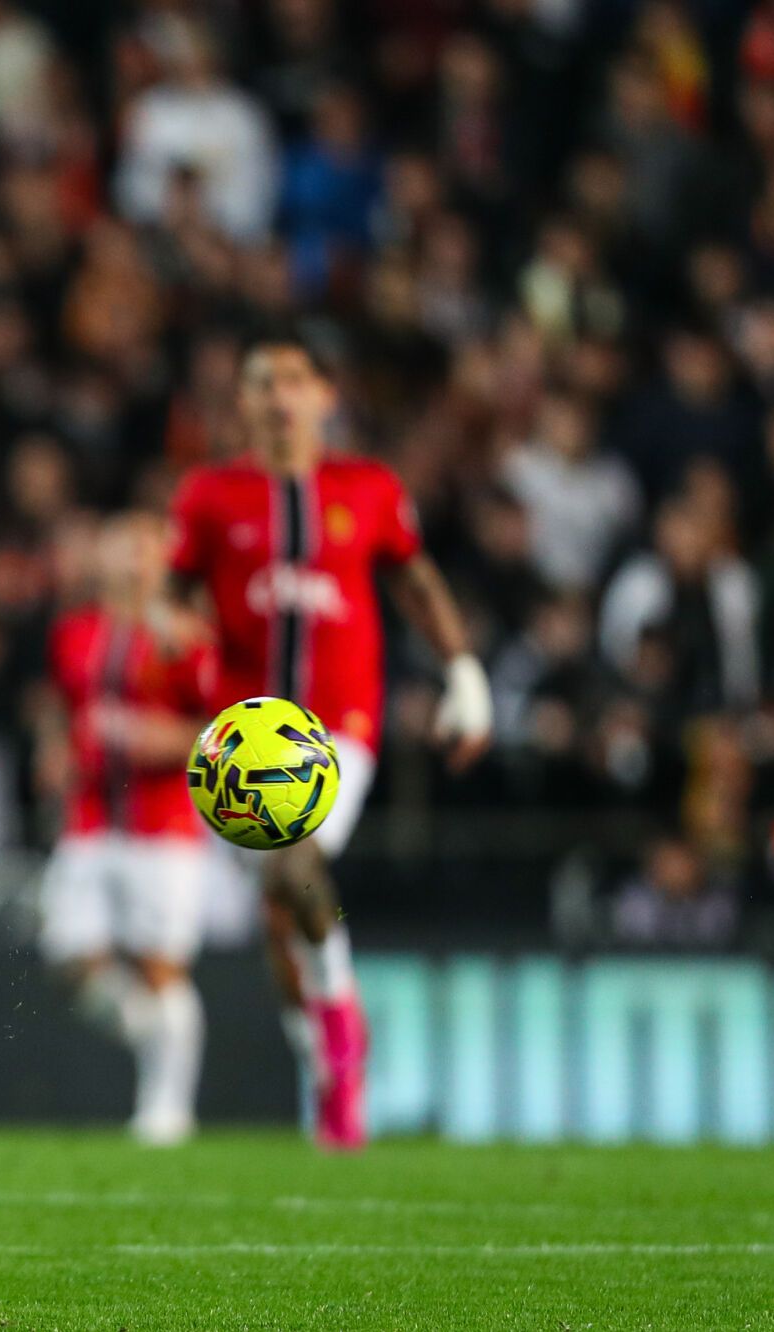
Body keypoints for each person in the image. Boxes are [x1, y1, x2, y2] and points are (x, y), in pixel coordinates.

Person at [170, 337, 492, 1149]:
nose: (278, 397)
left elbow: (414, 578)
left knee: (293, 859)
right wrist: (169, 631)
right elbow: (171, 598)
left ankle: (342, 1016)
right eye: (260, 383)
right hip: (235, 741)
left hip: (335, 728)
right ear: (240, 401)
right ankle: (327, 1061)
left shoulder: (369, 487)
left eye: (292, 381)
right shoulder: (211, 494)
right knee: (282, 911)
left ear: (325, 393)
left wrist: (463, 671)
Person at [35, 511, 218, 1145]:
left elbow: (224, 733)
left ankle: (168, 1111)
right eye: (123, 547)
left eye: (147, 548)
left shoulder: (186, 638)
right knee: (68, 950)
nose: (134, 560)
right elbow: (62, 708)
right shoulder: (74, 632)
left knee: (162, 964)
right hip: (89, 818)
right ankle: (152, 1031)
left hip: (163, 824)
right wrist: (53, 748)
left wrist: (166, 738)